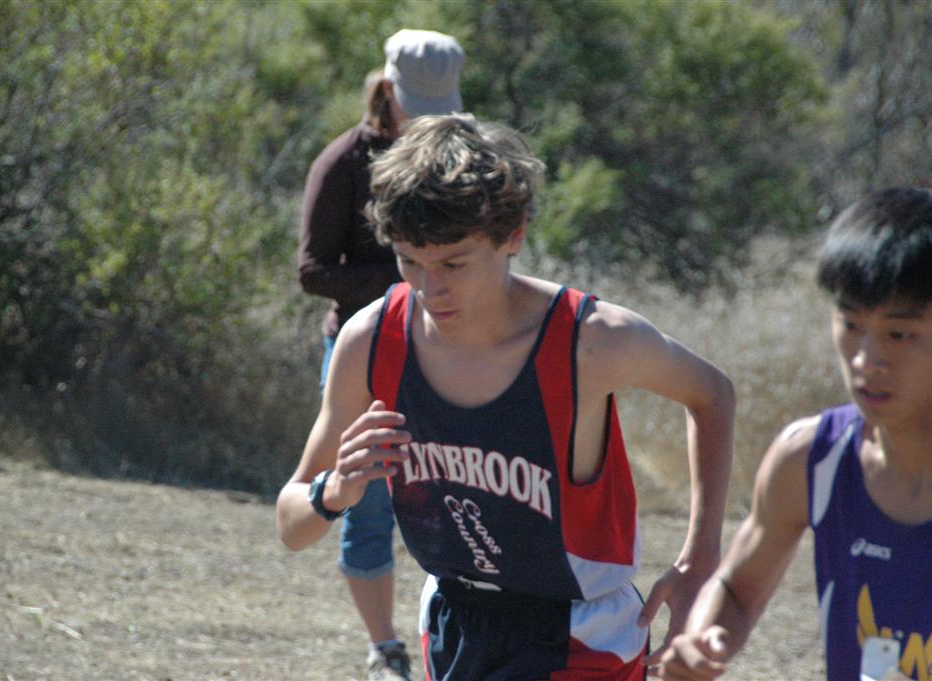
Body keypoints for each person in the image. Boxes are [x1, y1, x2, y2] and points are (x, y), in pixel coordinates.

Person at [279, 113, 736, 680]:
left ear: (513, 235)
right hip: (454, 622)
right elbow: (291, 523)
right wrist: (334, 492)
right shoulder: (372, 340)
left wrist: (700, 560)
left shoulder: (591, 340)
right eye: (409, 261)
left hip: (581, 633)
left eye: (453, 263)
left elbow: (712, 394)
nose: (429, 288)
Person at [646, 188, 932, 681]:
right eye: (851, 324)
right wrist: (704, 639)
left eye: (900, 334)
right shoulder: (812, 458)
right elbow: (737, 590)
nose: (866, 359)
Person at [297, 29, 465, 681]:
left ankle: (458, 635)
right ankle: (386, 649)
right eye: (415, 105)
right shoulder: (343, 162)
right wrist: (407, 281)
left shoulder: (460, 155)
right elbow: (313, 270)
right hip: (363, 350)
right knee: (365, 505)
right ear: (388, 90)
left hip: (449, 345)